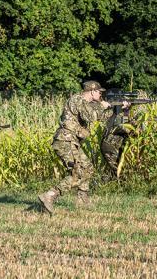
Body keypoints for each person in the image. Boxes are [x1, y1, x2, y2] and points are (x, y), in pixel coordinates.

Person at [38, 81, 128, 214]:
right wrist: (103, 106)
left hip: (71, 141)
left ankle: (82, 200)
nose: (101, 94)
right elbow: (91, 116)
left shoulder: (88, 104)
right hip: (65, 140)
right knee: (77, 173)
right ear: (92, 91)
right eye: (99, 92)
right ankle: (50, 195)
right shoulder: (77, 100)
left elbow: (102, 118)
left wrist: (120, 108)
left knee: (88, 168)